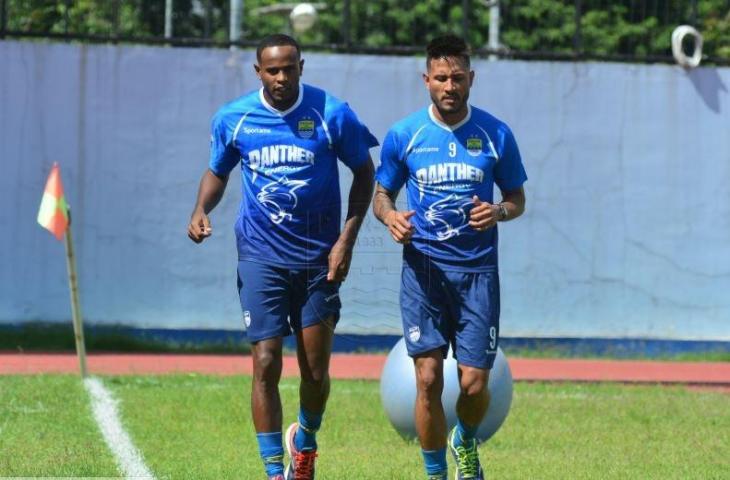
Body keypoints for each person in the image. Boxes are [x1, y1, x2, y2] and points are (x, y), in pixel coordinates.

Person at [188, 34, 377, 480]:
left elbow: (364, 172)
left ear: (301, 67)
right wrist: (200, 209)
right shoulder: (233, 119)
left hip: (319, 260)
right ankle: (275, 472)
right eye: (272, 70)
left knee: (314, 372)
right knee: (266, 360)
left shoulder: (332, 113)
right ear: (258, 72)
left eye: (288, 68)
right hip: (260, 255)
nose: (280, 77)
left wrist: (346, 240)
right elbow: (217, 171)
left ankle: (305, 442)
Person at [373, 34, 527, 480]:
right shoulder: (405, 134)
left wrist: (497, 211)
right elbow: (382, 194)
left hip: (478, 276)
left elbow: (517, 198)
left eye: (457, 77)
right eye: (440, 78)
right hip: (423, 274)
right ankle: (436, 472)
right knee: (426, 380)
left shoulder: (496, 134)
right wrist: (390, 219)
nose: (449, 86)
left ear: (471, 79)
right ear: (426, 80)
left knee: (475, 385)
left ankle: (464, 438)